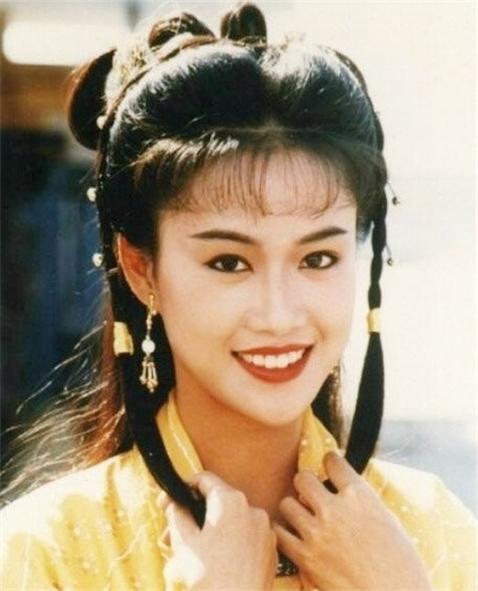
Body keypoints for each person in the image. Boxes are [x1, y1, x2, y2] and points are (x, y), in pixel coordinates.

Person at [1, 3, 476, 590]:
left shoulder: (434, 531)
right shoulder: (41, 551)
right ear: (142, 269)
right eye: (228, 262)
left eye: (317, 259)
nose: (278, 314)